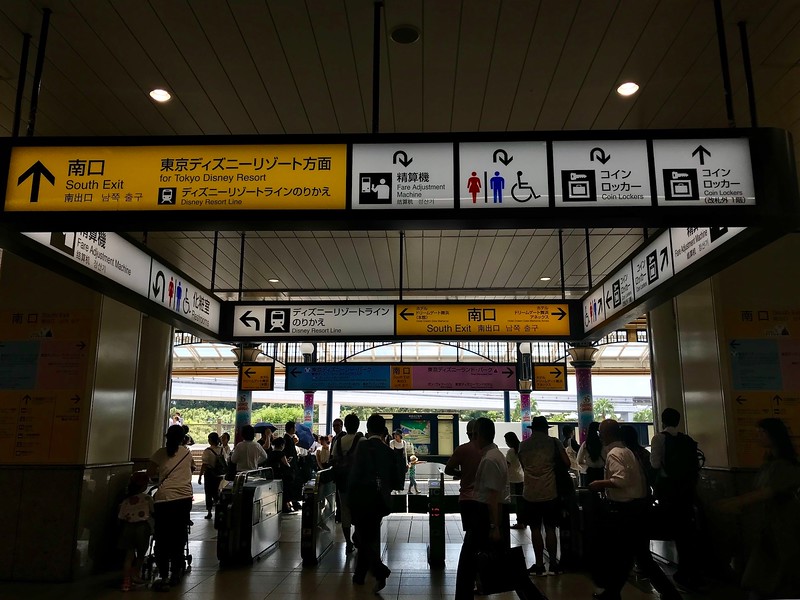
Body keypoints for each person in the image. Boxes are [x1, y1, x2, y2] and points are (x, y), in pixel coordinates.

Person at [455, 417, 545, 600]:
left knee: (469, 565)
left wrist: (494, 526)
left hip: (486, 517)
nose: (472, 439)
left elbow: (493, 496)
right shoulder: (495, 455)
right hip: (491, 516)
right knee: (504, 563)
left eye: (473, 435)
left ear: (479, 435)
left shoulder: (490, 459)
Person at [718, 418, 800, 598]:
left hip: (783, 531)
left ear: (774, 435)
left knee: (769, 581)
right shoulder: (771, 463)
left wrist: (736, 502)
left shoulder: (783, 465)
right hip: (772, 531)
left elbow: (766, 492)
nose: (758, 437)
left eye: (762, 433)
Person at [588, 419, 648, 600]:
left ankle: (612, 592)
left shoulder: (614, 454)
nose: (599, 436)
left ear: (606, 434)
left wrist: (599, 483)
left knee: (624, 555)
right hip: (637, 507)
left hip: (624, 510)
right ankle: (612, 592)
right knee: (629, 556)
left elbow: (620, 480)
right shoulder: (627, 451)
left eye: (600, 432)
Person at [621, 425, 680, 600]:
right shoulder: (643, 453)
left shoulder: (626, 455)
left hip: (631, 503)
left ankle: (668, 591)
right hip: (646, 500)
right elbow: (653, 476)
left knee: (636, 547)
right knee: (640, 542)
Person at [348, 414, 405, 592]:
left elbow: (354, 474)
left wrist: (350, 498)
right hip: (380, 500)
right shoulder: (388, 451)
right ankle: (359, 576)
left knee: (362, 538)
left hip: (361, 499)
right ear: (383, 430)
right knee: (368, 536)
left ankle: (380, 571)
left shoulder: (361, 446)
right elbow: (396, 479)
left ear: (368, 428)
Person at [650, 408, 702, 589]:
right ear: (678, 421)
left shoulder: (659, 438)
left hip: (669, 491)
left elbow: (655, 464)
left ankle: (683, 574)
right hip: (686, 491)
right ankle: (692, 572)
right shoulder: (687, 439)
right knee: (686, 531)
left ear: (662, 421)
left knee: (675, 529)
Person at [518, 416, 570, 576]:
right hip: (550, 492)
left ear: (532, 429)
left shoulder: (523, 445)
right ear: (546, 429)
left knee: (535, 529)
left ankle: (539, 564)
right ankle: (553, 564)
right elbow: (567, 463)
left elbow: (523, 466)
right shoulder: (554, 442)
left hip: (530, 493)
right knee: (550, 528)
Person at [147, 424, 195, 591]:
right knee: (179, 534)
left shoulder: (159, 453)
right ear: (183, 438)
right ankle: (176, 571)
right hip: (184, 498)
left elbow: (149, 473)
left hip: (164, 499)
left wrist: (160, 475)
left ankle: (163, 575)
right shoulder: (186, 453)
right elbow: (192, 468)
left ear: (167, 437)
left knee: (162, 536)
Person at [331, 413, 363, 553]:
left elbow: (333, 459)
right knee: (359, 510)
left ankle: (348, 542)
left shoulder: (338, 442)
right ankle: (357, 537)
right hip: (359, 482)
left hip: (343, 481)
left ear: (345, 425)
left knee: (345, 510)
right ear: (357, 425)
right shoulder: (362, 440)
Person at [117, 471, 154, 592]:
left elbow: (121, 516)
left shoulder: (126, 500)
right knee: (141, 554)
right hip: (142, 528)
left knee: (129, 555)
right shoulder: (147, 498)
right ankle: (136, 575)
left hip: (128, 528)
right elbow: (153, 511)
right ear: (144, 486)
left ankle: (126, 581)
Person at [445, 419, 483, 533]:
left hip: (466, 498)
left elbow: (448, 469)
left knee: (470, 533)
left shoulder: (462, 449)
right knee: (482, 532)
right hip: (485, 498)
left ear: (468, 434)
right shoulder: (489, 449)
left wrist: (461, 474)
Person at [504, 431, 526, 529]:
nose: (506, 443)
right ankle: (522, 521)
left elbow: (506, 465)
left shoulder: (511, 451)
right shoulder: (520, 449)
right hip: (521, 478)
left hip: (512, 479)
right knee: (520, 501)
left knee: (513, 501)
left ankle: (519, 522)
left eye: (506, 441)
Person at [577, 421, 605, 486]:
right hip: (602, 472)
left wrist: (586, 466)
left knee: (590, 490)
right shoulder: (603, 444)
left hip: (590, 473)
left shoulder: (586, 444)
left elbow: (579, 460)